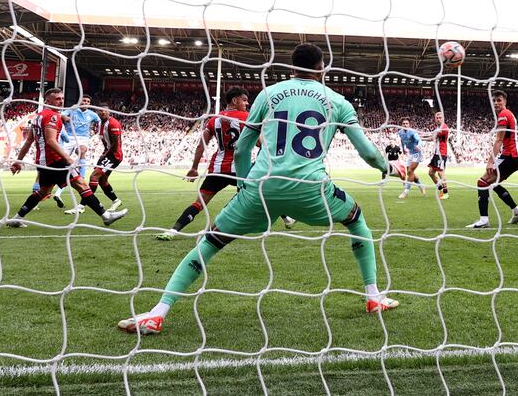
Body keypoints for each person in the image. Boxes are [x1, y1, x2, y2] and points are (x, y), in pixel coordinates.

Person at [118, 44, 398, 336]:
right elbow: (368, 154)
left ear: (292, 67)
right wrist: (387, 168)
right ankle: (373, 296)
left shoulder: (269, 94)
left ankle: (157, 313)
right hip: (310, 189)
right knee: (356, 220)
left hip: (260, 189)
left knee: (210, 242)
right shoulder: (337, 101)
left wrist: (243, 185)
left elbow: (242, 148)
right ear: (322, 67)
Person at [156, 87, 294, 242]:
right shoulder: (247, 118)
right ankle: (286, 218)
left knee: (198, 203)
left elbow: (201, 145)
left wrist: (194, 168)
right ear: (235, 100)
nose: (247, 103)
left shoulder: (214, 119)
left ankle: (172, 231)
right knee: (260, 192)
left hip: (217, 169)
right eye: (244, 100)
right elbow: (260, 144)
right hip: (240, 170)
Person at [7, 88, 128, 228]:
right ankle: (106, 216)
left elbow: (29, 141)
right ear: (48, 101)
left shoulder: (38, 117)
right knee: (81, 185)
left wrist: (18, 161)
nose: (61, 101)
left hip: (42, 162)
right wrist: (68, 159)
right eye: (57, 99)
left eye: (62, 98)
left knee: (44, 191)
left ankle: (17, 218)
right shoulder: (53, 116)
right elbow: (51, 141)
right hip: (55, 161)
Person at [467, 90, 518, 228]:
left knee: (482, 182)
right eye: (494, 100)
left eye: (499, 100)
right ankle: (517, 211)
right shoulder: (508, 114)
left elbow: (499, 140)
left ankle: (483, 220)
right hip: (516, 157)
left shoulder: (504, 115)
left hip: (510, 156)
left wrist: (490, 161)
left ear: (505, 101)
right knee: (492, 184)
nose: (496, 103)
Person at [56, 94, 101, 214]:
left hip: (83, 138)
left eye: (87, 101)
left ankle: (82, 176)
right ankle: (57, 192)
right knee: (62, 162)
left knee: (82, 150)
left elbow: (99, 121)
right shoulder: (72, 109)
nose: (85, 102)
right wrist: (64, 118)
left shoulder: (92, 114)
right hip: (69, 137)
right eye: (84, 100)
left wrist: (97, 133)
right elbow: (61, 114)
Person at [88, 105, 124, 212]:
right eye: (100, 111)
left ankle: (82, 205)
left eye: (104, 111)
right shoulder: (101, 124)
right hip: (108, 154)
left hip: (114, 156)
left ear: (109, 112)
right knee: (102, 181)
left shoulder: (113, 123)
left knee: (94, 177)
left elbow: (115, 144)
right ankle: (116, 201)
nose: (102, 112)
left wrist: (105, 155)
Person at [397, 117, 426, 199]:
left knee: (410, 171)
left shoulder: (413, 132)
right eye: (404, 124)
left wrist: (418, 146)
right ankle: (421, 186)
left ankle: (405, 192)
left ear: (409, 125)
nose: (405, 125)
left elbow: (419, 140)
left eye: (407, 123)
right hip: (410, 153)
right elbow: (402, 141)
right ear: (401, 125)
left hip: (417, 153)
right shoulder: (400, 132)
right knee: (410, 173)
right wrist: (403, 149)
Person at [424, 112, 450, 200]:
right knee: (431, 173)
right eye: (437, 118)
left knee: (440, 172)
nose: (438, 119)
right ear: (434, 119)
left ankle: (446, 193)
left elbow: (432, 137)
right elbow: (432, 137)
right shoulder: (437, 128)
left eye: (440, 117)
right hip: (436, 153)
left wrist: (420, 137)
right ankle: (441, 189)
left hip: (442, 154)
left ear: (443, 118)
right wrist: (420, 138)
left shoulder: (444, 127)